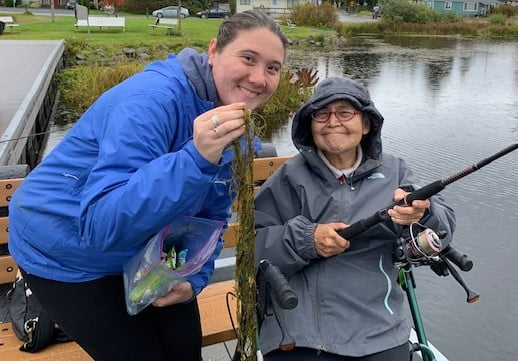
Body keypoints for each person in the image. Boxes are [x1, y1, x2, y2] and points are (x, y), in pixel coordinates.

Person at [8, 10, 288, 361]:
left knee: (185, 351)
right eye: (248, 58)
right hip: (64, 251)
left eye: (273, 68)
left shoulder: (236, 134)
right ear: (214, 50)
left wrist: (195, 280)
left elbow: (210, 221)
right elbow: (100, 226)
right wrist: (196, 159)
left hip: (145, 251)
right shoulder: (151, 100)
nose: (259, 78)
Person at [254, 76, 456, 361]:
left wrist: (423, 214)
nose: (332, 121)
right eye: (321, 114)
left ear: (366, 124)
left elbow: (445, 229)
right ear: (309, 126)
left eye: (345, 112)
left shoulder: (397, 172)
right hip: (300, 333)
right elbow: (253, 248)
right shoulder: (287, 178)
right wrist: (305, 240)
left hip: (381, 330)